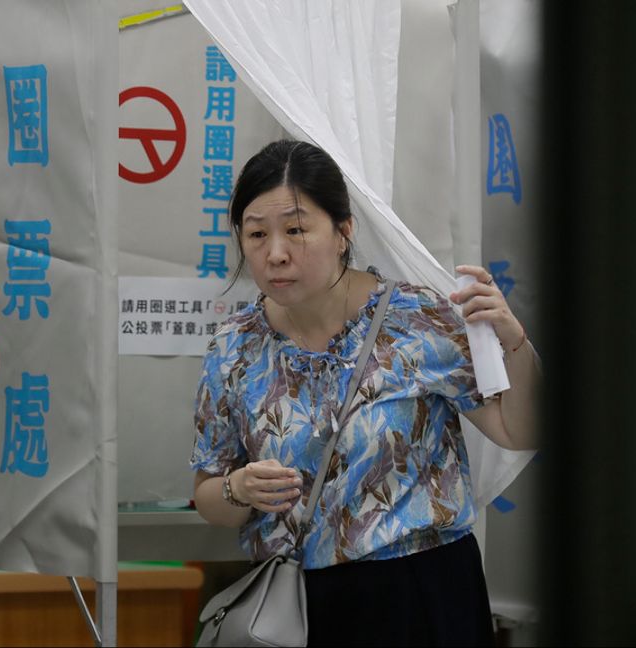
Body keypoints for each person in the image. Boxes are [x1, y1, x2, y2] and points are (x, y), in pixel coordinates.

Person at [190, 140, 539, 646]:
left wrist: (515, 343)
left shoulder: (415, 319)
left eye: (296, 229)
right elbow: (207, 491)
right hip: (298, 607)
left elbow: (517, 428)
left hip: (421, 591)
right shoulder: (234, 349)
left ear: (344, 231)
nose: (275, 253)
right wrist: (238, 490)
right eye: (256, 233)